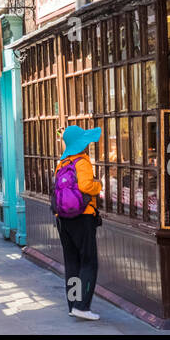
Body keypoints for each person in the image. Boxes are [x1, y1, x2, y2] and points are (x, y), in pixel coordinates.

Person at [54, 124, 104, 321]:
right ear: (81, 144)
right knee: (89, 261)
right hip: (83, 217)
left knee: (72, 262)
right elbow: (85, 185)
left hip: (63, 218)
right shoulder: (82, 162)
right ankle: (82, 306)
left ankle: (73, 304)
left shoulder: (62, 162)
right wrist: (98, 185)